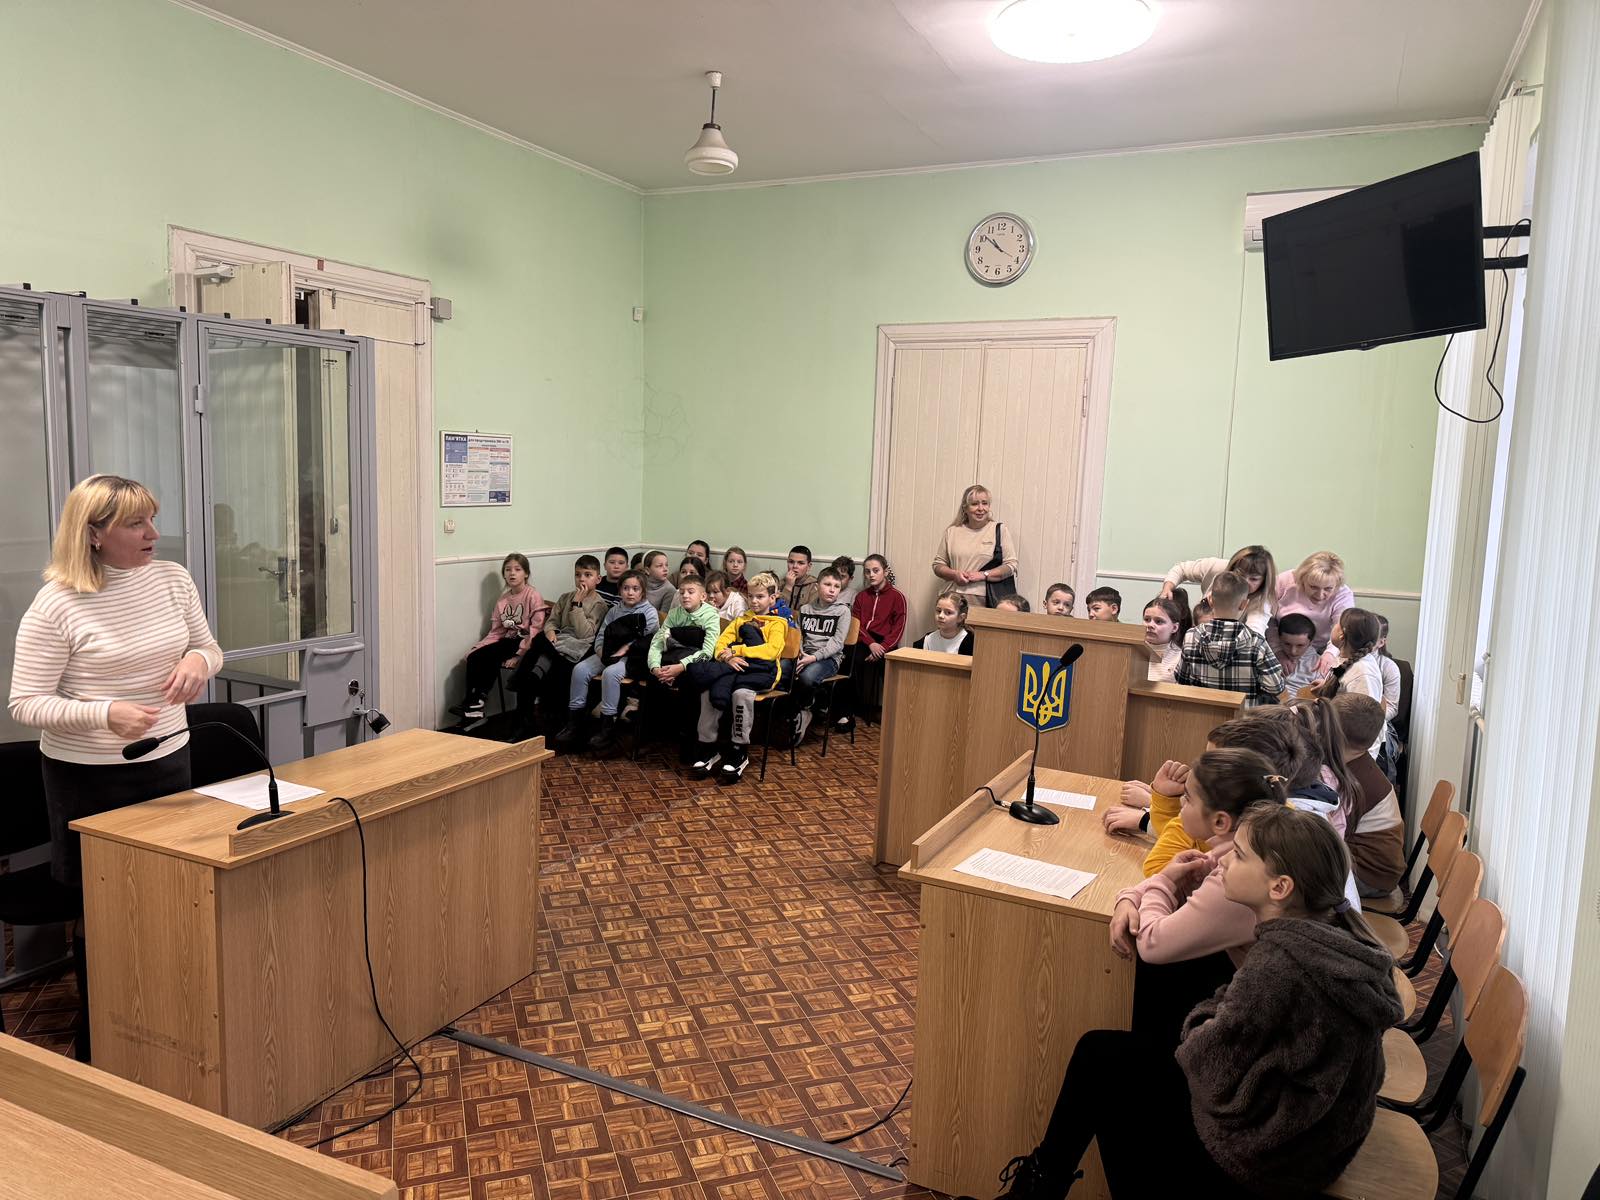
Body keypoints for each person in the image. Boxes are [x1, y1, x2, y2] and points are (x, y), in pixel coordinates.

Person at [994, 804, 1399, 1199]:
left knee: (1099, 1060)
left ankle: (1038, 1189)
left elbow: (1208, 1065)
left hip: (1271, 1159)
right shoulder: (1331, 935)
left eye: (1238, 855)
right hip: (1315, 1136)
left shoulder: (1279, 967)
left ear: (1279, 888)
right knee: (1171, 983)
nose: (1222, 861)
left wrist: (1202, 1018)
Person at [9, 476, 224, 1059]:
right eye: (136, 523)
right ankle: (102, 1038)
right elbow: (25, 702)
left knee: (169, 893)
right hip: (88, 778)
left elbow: (210, 647)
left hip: (168, 760)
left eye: (152, 518)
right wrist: (105, 713)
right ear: (93, 535)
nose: (153, 533)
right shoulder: (57, 603)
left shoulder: (173, 579)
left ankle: (169, 1019)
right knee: (104, 910)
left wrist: (198, 662)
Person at [682, 572, 789, 783]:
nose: (754, 601)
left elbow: (771, 651)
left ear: (772, 598)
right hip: (736, 669)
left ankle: (739, 750)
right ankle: (708, 747)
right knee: (708, 691)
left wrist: (737, 650)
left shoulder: (777, 623)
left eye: (760, 596)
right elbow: (720, 644)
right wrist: (727, 657)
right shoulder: (741, 620)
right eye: (751, 596)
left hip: (762, 673)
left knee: (741, 695)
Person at [554, 570, 657, 752]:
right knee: (580, 669)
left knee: (610, 673)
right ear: (620, 590)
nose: (630, 593)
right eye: (626, 588)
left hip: (632, 657)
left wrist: (621, 653)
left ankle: (607, 726)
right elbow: (602, 634)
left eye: (635, 589)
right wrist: (601, 652)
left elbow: (645, 641)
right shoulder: (614, 610)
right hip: (608, 652)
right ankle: (574, 723)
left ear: (642, 591)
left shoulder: (649, 612)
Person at [511, 554, 607, 738]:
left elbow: (585, 634)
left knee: (537, 648)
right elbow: (552, 621)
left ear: (598, 579)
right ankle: (523, 723)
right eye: (578, 574)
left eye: (587, 575)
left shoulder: (599, 605)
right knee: (539, 647)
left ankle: (521, 683)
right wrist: (550, 631)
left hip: (578, 647)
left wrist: (577, 605)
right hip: (557, 643)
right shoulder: (565, 597)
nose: (582, 579)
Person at [452, 553, 545, 722]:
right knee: (474, 657)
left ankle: (477, 702)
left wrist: (519, 655)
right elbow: (497, 631)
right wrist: (479, 647)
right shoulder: (503, 600)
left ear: (526, 573)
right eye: (508, 570)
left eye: (517, 569)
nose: (512, 573)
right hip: (507, 640)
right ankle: (473, 704)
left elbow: (536, 630)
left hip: (525, 642)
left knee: (492, 657)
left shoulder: (532, 595)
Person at [1331, 694, 1407, 897]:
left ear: (1333, 733)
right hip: (1372, 867)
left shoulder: (1356, 781)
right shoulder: (1358, 765)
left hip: (1369, 875)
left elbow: (1330, 832)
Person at [1175, 572, 1284, 707]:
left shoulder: (1191, 636)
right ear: (1244, 604)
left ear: (1210, 600)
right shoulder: (1256, 642)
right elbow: (1275, 687)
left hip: (1201, 715)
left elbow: (1181, 678)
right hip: (1242, 718)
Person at [641, 576, 721, 749]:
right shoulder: (674, 614)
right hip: (672, 660)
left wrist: (681, 667)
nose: (685, 596)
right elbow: (657, 642)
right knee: (653, 680)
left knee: (691, 682)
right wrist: (655, 667)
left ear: (703, 596)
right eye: (682, 592)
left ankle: (688, 738)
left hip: (695, 665)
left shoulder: (711, 615)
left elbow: (708, 652)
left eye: (691, 592)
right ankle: (651, 734)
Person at [837, 553, 906, 731]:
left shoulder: (897, 597)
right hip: (864, 640)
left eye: (876, 570)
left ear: (885, 571)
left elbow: (898, 628)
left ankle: (894, 714)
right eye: (867, 572)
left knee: (891, 667)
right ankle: (846, 713)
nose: (871, 575)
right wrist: (871, 644)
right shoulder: (861, 597)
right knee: (847, 660)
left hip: (886, 644)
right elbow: (856, 624)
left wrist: (882, 648)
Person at [791, 566, 851, 744]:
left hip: (828, 659)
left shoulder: (843, 611)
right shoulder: (806, 609)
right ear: (817, 586)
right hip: (805, 655)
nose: (832, 590)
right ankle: (790, 714)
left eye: (836, 586)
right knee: (783, 670)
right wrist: (800, 652)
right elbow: (799, 634)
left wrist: (813, 658)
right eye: (827, 584)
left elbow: (837, 643)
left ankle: (804, 710)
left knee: (807, 677)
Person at [932, 483, 1017, 609]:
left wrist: (984, 575)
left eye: (985, 503)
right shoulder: (952, 531)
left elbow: (1011, 565)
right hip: (951, 600)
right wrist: (954, 574)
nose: (980, 508)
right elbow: (938, 565)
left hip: (985, 601)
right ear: (965, 508)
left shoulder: (999, 530)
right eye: (975, 504)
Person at [1313, 608, 1386, 756]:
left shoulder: (1363, 673)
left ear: (1342, 634)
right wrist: (1328, 686)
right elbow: (1344, 687)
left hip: (1350, 755)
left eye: (1337, 623)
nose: (1334, 626)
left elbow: (1366, 722)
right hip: (1335, 743)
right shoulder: (1346, 660)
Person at [1162, 545, 1277, 635]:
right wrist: (1167, 588)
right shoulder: (1217, 567)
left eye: (1254, 579)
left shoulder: (1261, 602)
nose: (1245, 582)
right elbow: (1181, 569)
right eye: (1240, 574)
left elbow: (1255, 634)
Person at [1271, 550, 1355, 655]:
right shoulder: (1284, 581)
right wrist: (1277, 650)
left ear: (1337, 585)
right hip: (1283, 645)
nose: (1320, 595)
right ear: (1302, 580)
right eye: (1313, 587)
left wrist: (1330, 654)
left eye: (1328, 589)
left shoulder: (1343, 594)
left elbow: (1341, 629)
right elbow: (1266, 617)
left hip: (1324, 647)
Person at [1141, 595, 1188, 682]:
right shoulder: (1133, 650)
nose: (1150, 625)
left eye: (1158, 621)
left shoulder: (1181, 658)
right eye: (1147, 619)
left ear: (1174, 628)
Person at [1274, 611, 1320, 695]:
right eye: (1287, 644)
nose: (1293, 651)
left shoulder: (1319, 666)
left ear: (1310, 643)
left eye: (1300, 645)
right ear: (1279, 639)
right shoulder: (1267, 656)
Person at [640, 550, 678, 618]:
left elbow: (663, 617)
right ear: (647, 570)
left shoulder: (670, 590)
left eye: (666, 565)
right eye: (660, 566)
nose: (665, 569)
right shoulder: (640, 583)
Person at [783, 545, 820, 613]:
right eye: (791, 562)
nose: (795, 566)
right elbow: (777, 610)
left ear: (809, 566)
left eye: (800, 563)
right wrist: (788, 587)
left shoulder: (815, 586)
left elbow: (809, 614)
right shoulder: (781, 583)